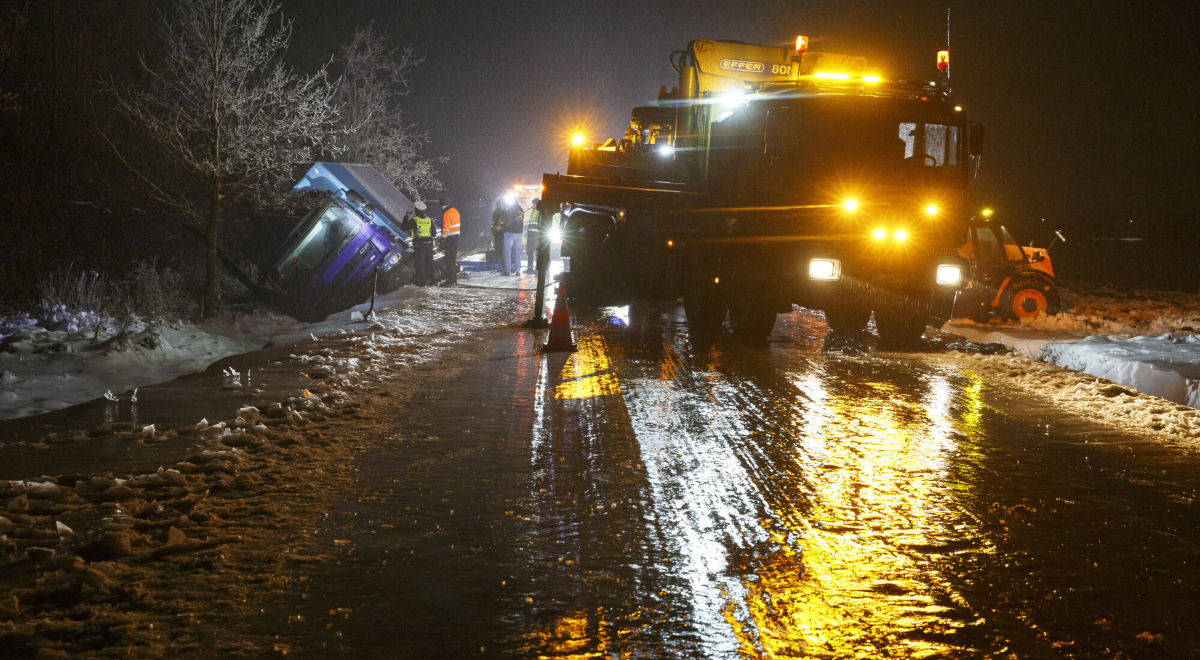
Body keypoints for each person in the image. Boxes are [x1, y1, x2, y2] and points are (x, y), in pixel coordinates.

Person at [401, 201, 437, 286]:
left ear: (416, 210)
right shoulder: (429, 220)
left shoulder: (415, 220)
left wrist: (406, 216)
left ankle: (422, 282)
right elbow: (434, 233)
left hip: (420, 244)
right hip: (429, 244)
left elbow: (404, 227)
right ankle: (433, 282)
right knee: (429, 263)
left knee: (420, 263)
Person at [438, 197, 460, 286]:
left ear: (443, 205)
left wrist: (442, 239)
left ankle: (450, 279)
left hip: (449, 239)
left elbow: (446, 228)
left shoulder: (447, 213)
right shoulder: (455, 211)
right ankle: (453, 278)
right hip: (456, 238)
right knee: (453, 258)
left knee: (449, 259)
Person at [502, 199, 523, 276]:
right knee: (517, 252)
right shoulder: (521, 209)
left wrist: (504, 228)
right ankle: (518, 271)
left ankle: (507, 271)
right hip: (519, 233)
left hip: (510, 233)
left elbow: (507, 219)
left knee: (507, 252)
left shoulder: (511, 209)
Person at [525, 198, 541, 274]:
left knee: (537, 253)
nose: (533, 206)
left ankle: (537, 269)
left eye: (534, 204)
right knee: (529, 252)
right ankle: (530, 268)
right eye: (533, 204)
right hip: (530, 235)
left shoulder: (540, 212)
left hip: (537, 236)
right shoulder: (533, 212)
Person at [490, 201, 506, 266]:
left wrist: (503, 228)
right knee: (497, 246)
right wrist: (494, 231)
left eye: (501, 204)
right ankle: (498, 258)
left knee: (503, 246)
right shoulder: (496, 212)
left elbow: (508, 222)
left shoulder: (506, 212)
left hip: (504, 232)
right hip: (497, 233)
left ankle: (502, 258)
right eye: (499, 204)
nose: (500, 205)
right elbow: (493, 223)